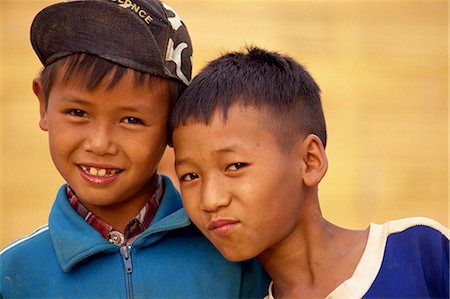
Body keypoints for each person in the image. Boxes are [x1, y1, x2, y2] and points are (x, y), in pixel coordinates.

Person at [0, 2, 269, 298]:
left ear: (172, 126)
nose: (99, 144)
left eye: (131, 120)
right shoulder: (14, 273)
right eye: (77, 112)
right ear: (43, 104)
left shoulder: (233, 252)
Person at [169, 46, 449, 299]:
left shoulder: (420, 253)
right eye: (190, 176)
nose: (210, 200)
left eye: (235, 166)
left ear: (310, 161)